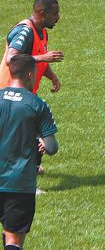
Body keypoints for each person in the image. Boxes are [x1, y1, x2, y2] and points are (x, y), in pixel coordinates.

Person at [0, 55, 59, 250]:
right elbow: (51, 148)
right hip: (19, 184)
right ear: (29, 74)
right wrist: (41, 140)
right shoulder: (37, 105)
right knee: (13, 241)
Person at [0, 0, 63, 95]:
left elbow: (39, 60)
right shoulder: (24, 32)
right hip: (8, 93)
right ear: (43, 14)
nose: (58, 18)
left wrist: (51, 76)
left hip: (23, 93)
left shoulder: (42, 32)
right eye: (55, 14)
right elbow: (11, 58)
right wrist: (42, 57)